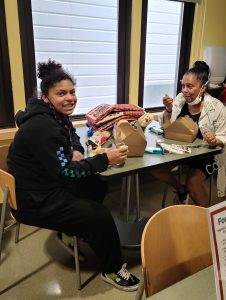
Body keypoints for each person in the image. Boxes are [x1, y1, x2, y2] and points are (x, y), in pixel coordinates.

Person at [7, 59, 139, 291]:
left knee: (96, 185)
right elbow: (67, 172)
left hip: (45, 184)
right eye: (61, 93)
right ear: (46, 96)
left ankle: (70, 231)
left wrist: (77, 151)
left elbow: (72, 137)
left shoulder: (55, 116)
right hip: (34, 200)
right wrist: (104, 159)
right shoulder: (43, 127)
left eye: (72, 92)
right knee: (100, 215)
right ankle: (112, 269)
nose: (70, 98)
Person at [151, 61, 226, 207]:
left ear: (203, 87)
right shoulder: (180, 100)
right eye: (183, 85)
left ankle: (206, 220)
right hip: (181, 149)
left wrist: (215, 140)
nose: (185, 90)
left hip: (207, 155)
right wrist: (168, 108)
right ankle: (180, 189)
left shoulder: (216, 108)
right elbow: (166, 127)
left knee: (193, 182)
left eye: (190, 86)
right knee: (155, 169)